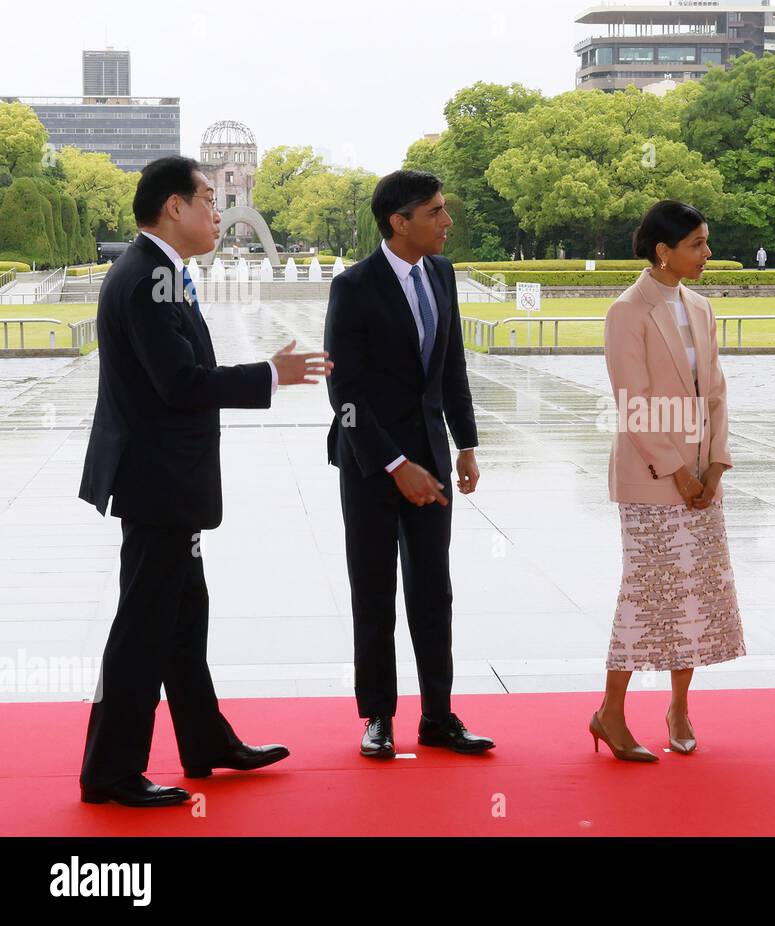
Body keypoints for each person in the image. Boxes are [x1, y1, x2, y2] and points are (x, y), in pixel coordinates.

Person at [77, 156, 331, 807]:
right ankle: (109, 771)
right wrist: (271, 374)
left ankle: (206, 742)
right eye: (208, 202)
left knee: (184, 618)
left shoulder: (161, 272)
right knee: (143, 628)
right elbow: (181, 384)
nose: (218, 215)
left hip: (166, 483)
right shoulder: (144, 279)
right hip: (157, 484)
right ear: (173, 208)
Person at [324, 170, 493, 759]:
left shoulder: (443, 275)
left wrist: (466, 444)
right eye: (436, 212)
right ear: (400, 222)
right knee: (373, 590)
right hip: (370, 463)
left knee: (433, 590)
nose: (448, 221)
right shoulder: (353, 287)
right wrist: (395, 463)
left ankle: (439, 716)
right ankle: (377, 717)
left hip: (433, 456)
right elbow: (343, 391)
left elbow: (452, 369)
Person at [593, 200, 746, 762]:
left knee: (695, 597)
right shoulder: (626, 312)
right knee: (647, 594)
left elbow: (718, 394)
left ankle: (679, 707)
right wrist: (678, 472)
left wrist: (716, 465)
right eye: (697, 244)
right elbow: (633, 404)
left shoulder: (700, 307)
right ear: (664, 251)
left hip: (703, 477)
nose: (707, 253)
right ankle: (610, 712)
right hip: (651, 476)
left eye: (706, 242)